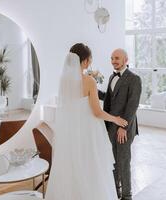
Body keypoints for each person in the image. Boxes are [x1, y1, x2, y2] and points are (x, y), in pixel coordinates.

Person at [45, 43, 126, 200]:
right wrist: (115, 119)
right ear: (85, 61)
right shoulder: (89, 81)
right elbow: (97, 112)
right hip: (88, 130)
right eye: (90, 59)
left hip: (71, 130)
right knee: (91, 164)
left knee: (73, 164)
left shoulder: (63, 80)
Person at [98, 49, 142, 200]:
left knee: (123, 161)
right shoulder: (112, 76)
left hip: (125, 127)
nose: (113, 61)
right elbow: (109, 99)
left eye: (117, 58)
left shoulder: (134, 79)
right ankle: (116, 191)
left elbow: (132, 105)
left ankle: (127, 195)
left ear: (126, 59)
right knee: (113, 160)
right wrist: (92, 89)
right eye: (111, 58)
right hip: (111, 125)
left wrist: (123, 127)